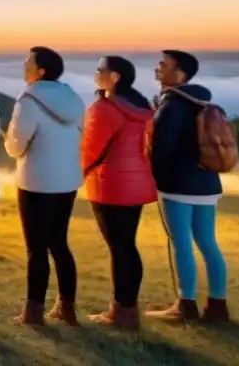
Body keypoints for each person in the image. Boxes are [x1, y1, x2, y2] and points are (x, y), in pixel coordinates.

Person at [146, 50, 230, 325]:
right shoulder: (203, 101)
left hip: (177, 186)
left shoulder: (172, 105)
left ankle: (186, 304)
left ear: (179, 73)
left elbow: (161, 149)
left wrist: (152, 176)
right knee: (208, 243)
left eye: (163, 65)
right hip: (208, 182)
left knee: (181, 243)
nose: (158, 69)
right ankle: (218, 305)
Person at [4, 46, 86, 326]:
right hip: (67, 180)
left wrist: (7, 143)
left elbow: (16, 146)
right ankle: (67, 307)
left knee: (36, 249)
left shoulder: (28, 100)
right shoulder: (73, 99)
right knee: (59, 243)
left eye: (28, 61)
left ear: (40, 71)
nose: (23, 64)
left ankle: (33, 312)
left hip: (37, 182)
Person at [82, 56, 157, 330]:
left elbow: (90, 150)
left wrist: (76, 173)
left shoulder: (104, 108)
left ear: (114, 76)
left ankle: (120, 312)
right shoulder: (142, 107)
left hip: (110, 183)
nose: (95, 73)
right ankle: (128, 308)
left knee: (119, 247)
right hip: (137, 183)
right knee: (127, 245)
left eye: (99, 69)